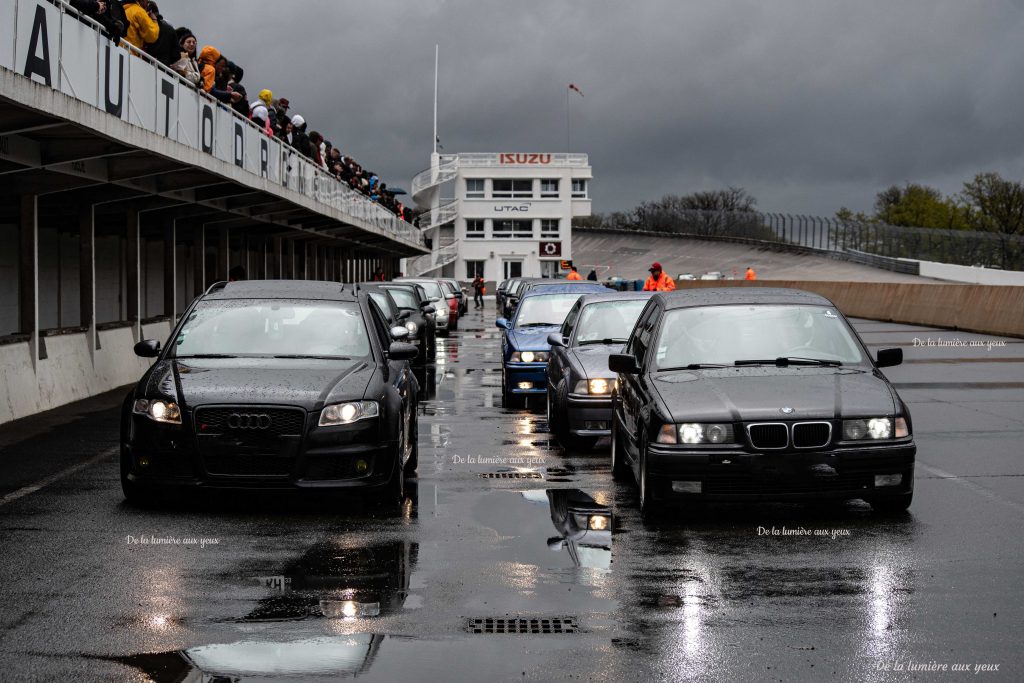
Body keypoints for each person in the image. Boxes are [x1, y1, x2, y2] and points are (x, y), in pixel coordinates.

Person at [143, 2, 178, 66]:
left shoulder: (146, 27)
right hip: (165, 69)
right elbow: (176, 55)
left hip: (146, 65)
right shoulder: (170, 28)